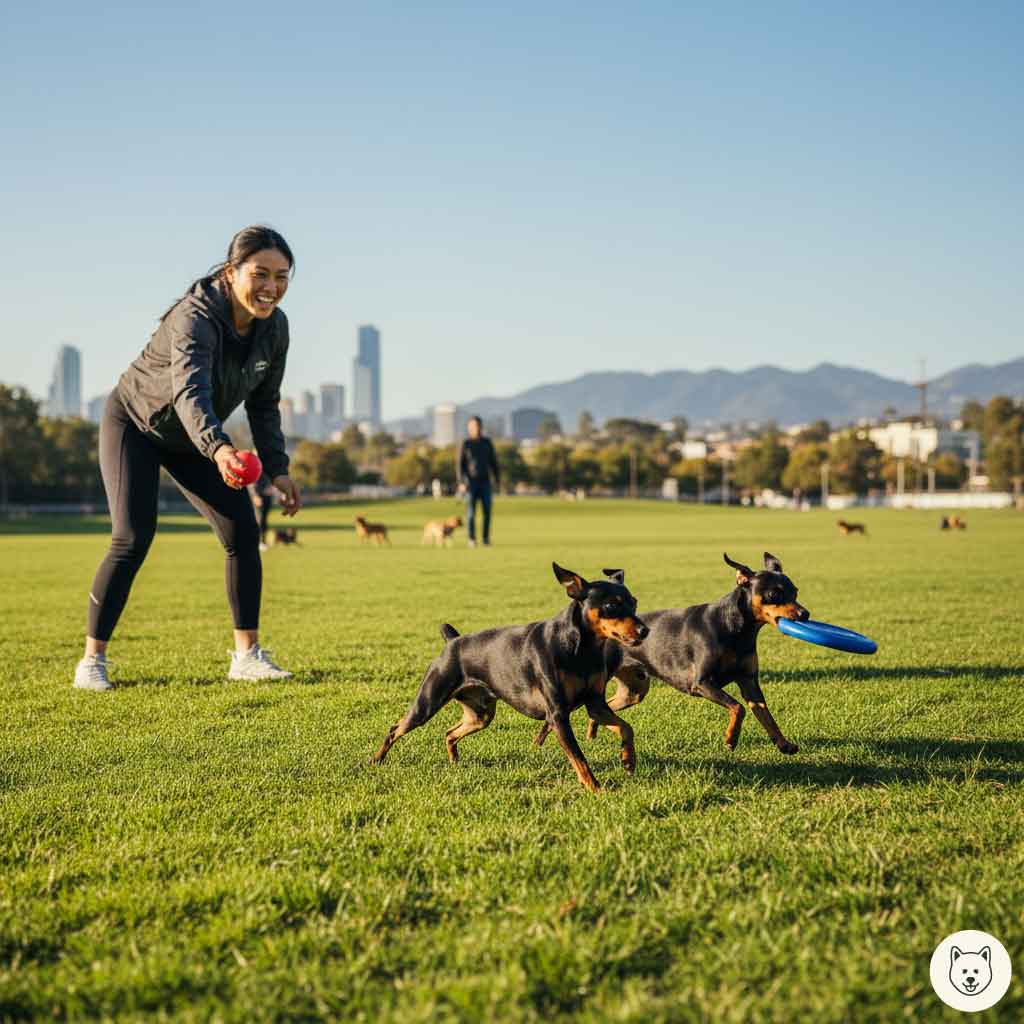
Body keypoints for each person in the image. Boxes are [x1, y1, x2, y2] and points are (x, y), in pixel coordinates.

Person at [74, 226, 301, 691]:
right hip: (137, 424)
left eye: (281, 277)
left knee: (242, 530)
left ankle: (246, 656)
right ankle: (92, 661)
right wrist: (219, 447)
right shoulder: (194, 316)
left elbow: (264, 403)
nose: (271, 287)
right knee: (132, 538)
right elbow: (189, 392)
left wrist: (278, 470)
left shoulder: (275, 328)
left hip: (193, 439)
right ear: (231, 272)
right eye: (260, 274)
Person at [457, 415, 500, 546]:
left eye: (477, 426)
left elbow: (493, 462)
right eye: (473, 426)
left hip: (485, 482)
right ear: (469, 428)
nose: (476, 428)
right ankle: (471, 539)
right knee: (471, 512)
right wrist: (461, 482)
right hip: (470, 483)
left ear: (481, 427)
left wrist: (497, 479)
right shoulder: (466, 444)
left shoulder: (487, 443)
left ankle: (486, 539)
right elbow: (460, 465)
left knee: (487, 512)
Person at [251, 471, 275, 551]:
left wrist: (270, 487)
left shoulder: (268, 466)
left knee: (264, 521)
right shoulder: (258, 466)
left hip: (267, 496)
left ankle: (263, 541)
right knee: (259, 520)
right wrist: (256, 495)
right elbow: (253, 480)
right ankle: (258, 542)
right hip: (259, 497)